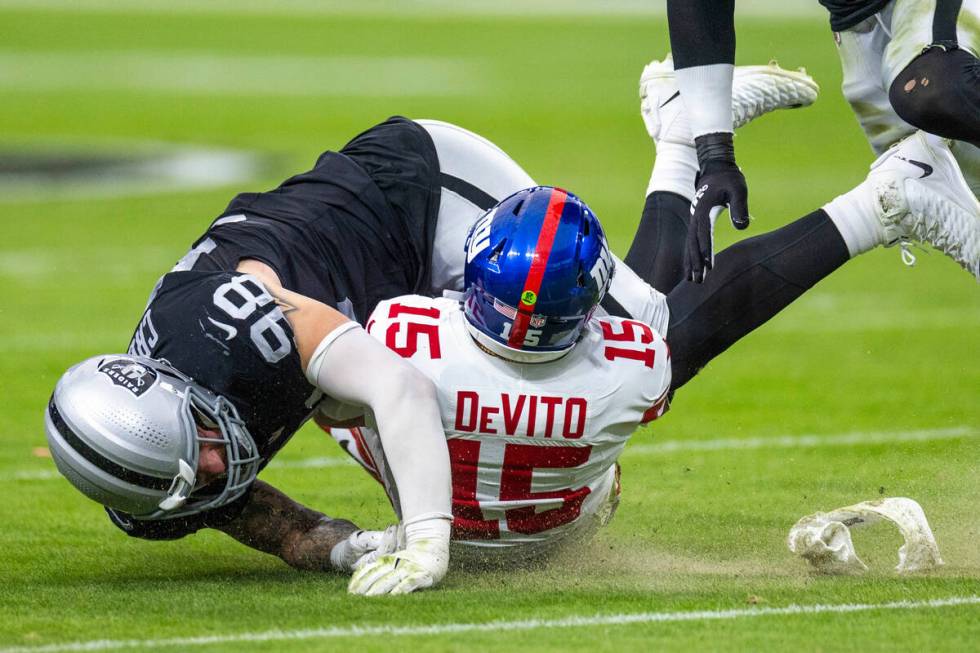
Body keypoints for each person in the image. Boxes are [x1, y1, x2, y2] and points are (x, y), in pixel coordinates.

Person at [44, 62, 820, 595]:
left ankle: (693, 131)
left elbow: (395, 383)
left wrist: (427, 535)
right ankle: (689, 129)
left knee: (640, 326)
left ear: (172, 392)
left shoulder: (235, 328)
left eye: (202, 445)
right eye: (196, 475)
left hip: (415, 199)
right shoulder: (156, 481)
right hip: (374, 289)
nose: (216, 463)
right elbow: (270, 523)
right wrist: (349, 545)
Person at [326, 69, 978, 587]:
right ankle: (725, 148)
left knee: (342, 368)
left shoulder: (402, 330)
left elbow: (334, 375)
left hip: (448, 516)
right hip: (564, 525)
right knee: (652, 318)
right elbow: (631, 324)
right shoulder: (631, 365)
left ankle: (698, 137)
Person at [663, 0, 979, 283]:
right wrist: (714, 154)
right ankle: (676, 147)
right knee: (939, 190)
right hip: (858, 32)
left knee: (934, 92)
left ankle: (675, 153)